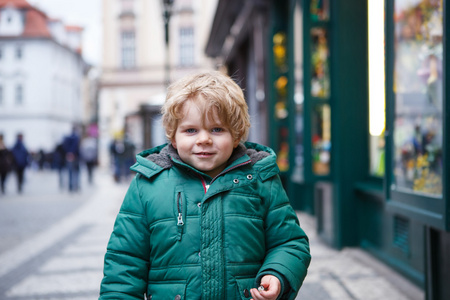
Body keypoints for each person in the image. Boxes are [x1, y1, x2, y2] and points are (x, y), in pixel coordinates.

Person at [99, 71, 311, 300]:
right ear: (173, 135)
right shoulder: (148, 185)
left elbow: (289, 241)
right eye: (191, 130)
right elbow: (125, 262)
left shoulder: (260, 179)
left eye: (217, 129)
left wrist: (277, 274)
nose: (204, 139)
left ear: (236, 133)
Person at [62, 127, 81, 192]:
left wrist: (68, 153)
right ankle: (76, 186)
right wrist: (72, 153)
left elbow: (64, 146)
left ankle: (70, 186)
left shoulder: (67, 138)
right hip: (75, 156)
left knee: (70, 172)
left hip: (69, 156)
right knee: (76, 172)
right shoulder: (76, 137)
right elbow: (76, 146)